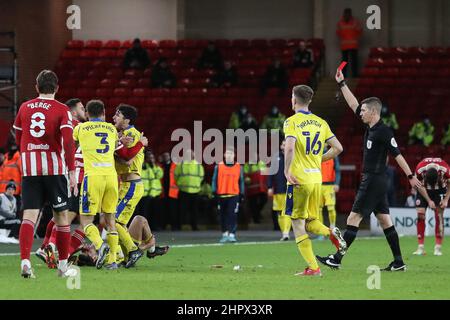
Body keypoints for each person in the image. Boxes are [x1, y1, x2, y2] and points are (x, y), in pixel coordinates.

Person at [317, 68, 425, 272]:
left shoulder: (384, 131)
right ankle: (399, 262)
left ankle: (337, 258)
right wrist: (342, 84)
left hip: (374, 179)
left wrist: (410, 176)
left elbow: (398, 154)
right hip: (377, 180)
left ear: (374, 112)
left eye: (364, 110)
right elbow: (352, 104)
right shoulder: (372, 128)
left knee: (353, 218)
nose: (361, 113)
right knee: (385, 220)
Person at [13, 70, 77, 278]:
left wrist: (28, 152)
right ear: (57, 88)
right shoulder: (62, 109)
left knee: (29, 217)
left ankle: (25, 262)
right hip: (54, 170)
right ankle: (63, 267)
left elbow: (18, 136)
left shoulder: (24, 107)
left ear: (36, 87)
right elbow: (68, 142)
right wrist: (72, 170)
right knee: (61, 217)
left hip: (30, 169)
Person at [283, 84, 346, 276]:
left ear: (294, 99)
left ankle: (313, 268)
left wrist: (286, 170)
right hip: (316, 179)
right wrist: (319, 159)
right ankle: (331, 232)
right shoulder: (321, 122)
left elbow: (290, 147)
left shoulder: (291, 122)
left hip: (298, 180)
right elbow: (338, 148)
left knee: (297, 222)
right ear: (309, 100)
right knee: (310, 221)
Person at [73, 99, 122, 270]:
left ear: (87, 113)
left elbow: (69, 142)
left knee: (86, 220)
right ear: (104, 113)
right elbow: (117, 146)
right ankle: (113, 261)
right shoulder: (111, 129)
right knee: (110, 221)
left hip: (93, 177)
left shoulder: (80, 128)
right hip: (111, 177)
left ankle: (101, 246)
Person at [113, 104, 147, 268]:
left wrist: (113, 152)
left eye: (118, 115)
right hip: (126, 185)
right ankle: (126, 257)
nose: (114, 117)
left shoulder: (132, 135)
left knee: (113, 221)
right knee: (119, 223)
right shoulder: (122, 135)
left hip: (131, 184)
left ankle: (133, 250)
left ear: (127, 120)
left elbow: (127, 159)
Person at [71, 215, 169, 267]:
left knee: (136, 220)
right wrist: (147, 245)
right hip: (129, 252)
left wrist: (76, 249)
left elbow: (73, 258)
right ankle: (151, 250)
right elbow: (130, 254)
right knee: (140, 220)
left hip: (125, 240)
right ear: (93, 258)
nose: (86, 247)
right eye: (86, 251)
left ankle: (152, 251)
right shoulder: (109, 257)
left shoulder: (100, 247)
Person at [413, 158, 450, 256]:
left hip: (440, 190)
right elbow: (418, 186)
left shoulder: (445, 170)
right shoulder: (419, 170)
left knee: (439, 216)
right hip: (423, 189)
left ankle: (438, 248)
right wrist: (429, 200)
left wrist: (446, 199)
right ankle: (420, 247)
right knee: (420, 214)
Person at [212, 148, 244, 243]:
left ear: (234, 155)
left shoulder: (239, 167)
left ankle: (232, 234)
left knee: (232, 215)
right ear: (224, 155)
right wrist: (214, 191)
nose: (229, 155)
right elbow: (214, 180)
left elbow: (241, 181)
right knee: (222, 216)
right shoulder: (218, 166)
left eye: (231, 153)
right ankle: (224, 234)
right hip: (221, 195)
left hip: (234, 195)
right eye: (227, 153)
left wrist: (242, 194)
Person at [174, 149, 204, 231]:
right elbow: (175, 176)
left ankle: (194, 226)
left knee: (194, 211)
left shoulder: (198, 165)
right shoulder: (181, 164)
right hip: (184, 190)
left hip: (195, 191)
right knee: (181, 210)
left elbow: (201, 177)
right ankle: (178, 226)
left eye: (191, 154)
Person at [267, 138, 291, 240]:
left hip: (290, 188)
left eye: (287, 145)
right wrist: (269, 187)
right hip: (278, 189)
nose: (285, 146)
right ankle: (284, 233)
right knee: (279, 212)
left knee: (287, 211)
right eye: (283, 144)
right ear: (281, 146)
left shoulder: (294, 157)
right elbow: (270, 174)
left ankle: (286, 233)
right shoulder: (275, 157)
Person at [139, 150, 163, 231]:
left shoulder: (155, 167)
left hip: (155, 193)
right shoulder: (143, 167)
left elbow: (159, 175)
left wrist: (153, 166)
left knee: (155, 212)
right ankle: (144, 228)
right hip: (144, 193)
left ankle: (154, 226)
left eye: (152, 158)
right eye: (149, 157)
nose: (151, 159)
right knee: (144, 212)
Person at [319, 149, 341, 230]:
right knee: (318, 209)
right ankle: (321, 230)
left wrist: (337, 183)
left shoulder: (333, 155)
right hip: (318, 185)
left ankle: (332, 227)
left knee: (331, 207)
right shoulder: (315, 154)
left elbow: (337, 170)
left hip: (329, 186)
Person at [336, 8, 362, 77]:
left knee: (353, 62)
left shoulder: (355, 22)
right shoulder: (341, 23)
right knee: (344, 62)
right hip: (346, 45)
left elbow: (360, 31)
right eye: (346, 13)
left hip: (352, 45)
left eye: (348, 13)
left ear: (350, 14)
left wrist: (355, 37)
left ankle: (354, 75)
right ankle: (342, 75)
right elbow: (338, 33)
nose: (347, 15)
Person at [244, 153, 267, 224]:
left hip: (261, 188)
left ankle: (257, 213)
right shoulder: (247, 165)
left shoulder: (262, 163)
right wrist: (247, 179)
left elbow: (266, 174)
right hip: (252, 189)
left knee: (264, 200)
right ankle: (256, 219)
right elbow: (245, 175)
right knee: (252, 204)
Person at [161, 152, 180, 230]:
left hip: (172, 191)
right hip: (163, 191)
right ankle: (164, 225)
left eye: (167, 156)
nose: (166, 157)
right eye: (164, 156)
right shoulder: (160, 166)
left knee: (173, 210)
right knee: (163, 210)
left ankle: (174, 226)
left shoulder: (175, 166)